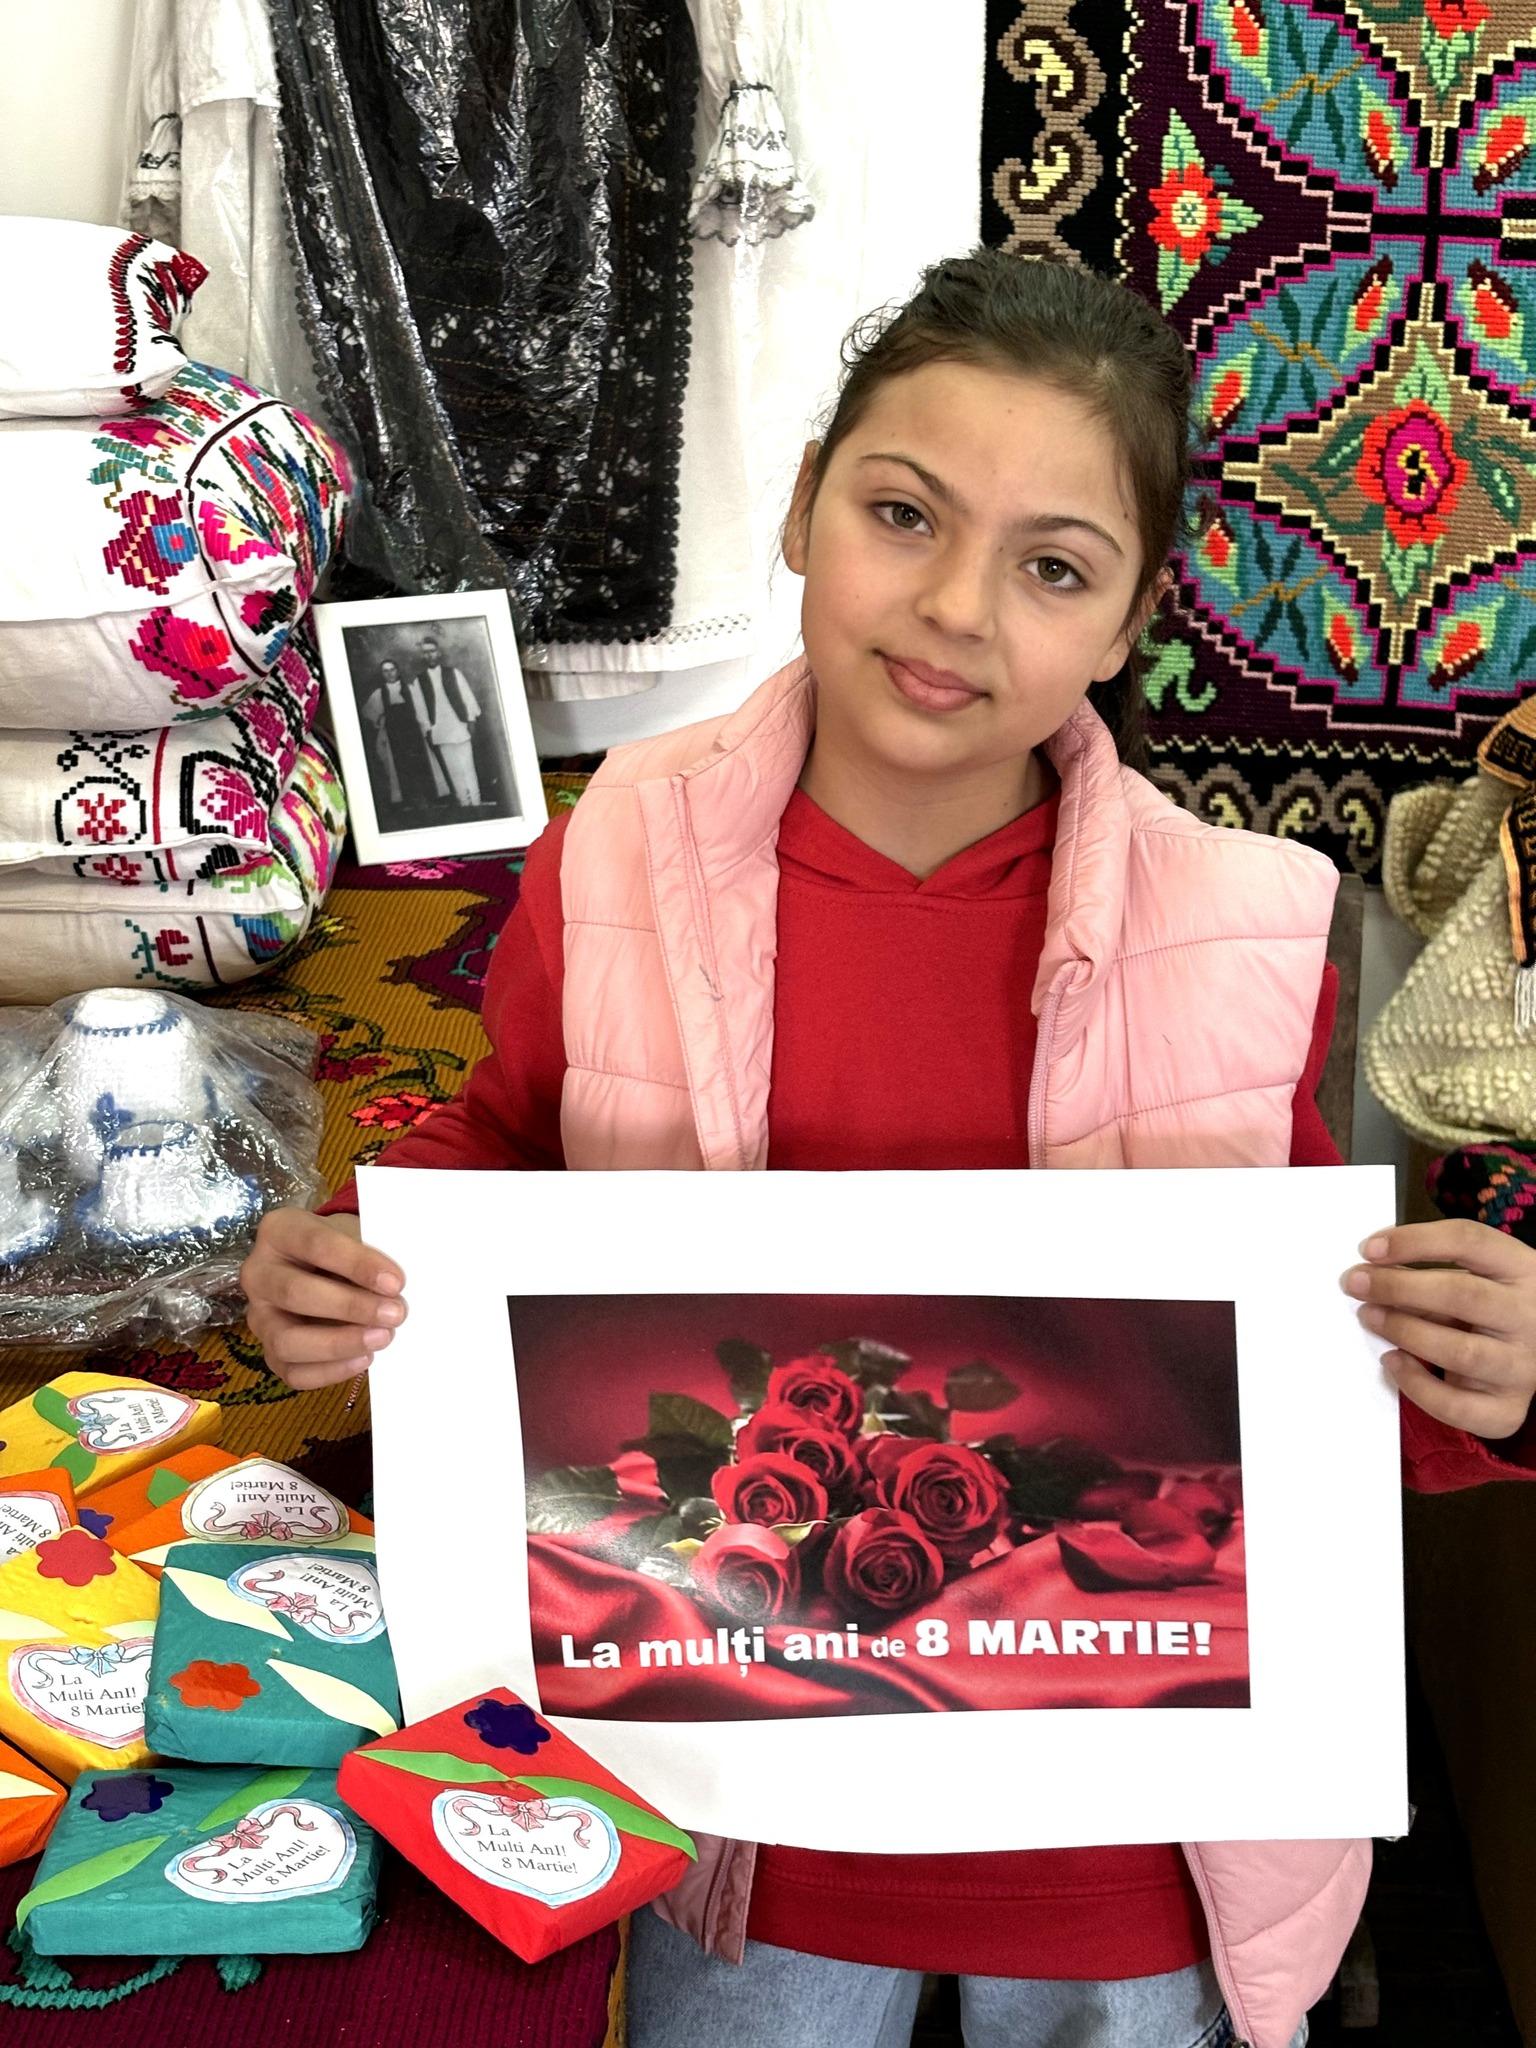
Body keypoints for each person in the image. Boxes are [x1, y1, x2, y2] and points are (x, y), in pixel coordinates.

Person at [240, 251, 1536, 2048]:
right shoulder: (615, 851)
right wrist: (356, 1262)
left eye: (1053, 567)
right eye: (903, 513)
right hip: (725, 1820)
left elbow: (1294, 1362)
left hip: (1120, 1838)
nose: (952, 607)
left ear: (1128, 621)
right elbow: (508, 1142)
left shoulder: (1243, 928)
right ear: (801, 506)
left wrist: (1474, 1372)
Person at [360, 656, 445, 815]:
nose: (389, 674)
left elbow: (421, 710)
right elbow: (368, 712)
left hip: (413, 734)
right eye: (385, 671)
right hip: (394, 736)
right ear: (382, 674)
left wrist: (426, 729)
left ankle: (427, 799)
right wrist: (380, 720)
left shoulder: (410, 689)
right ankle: (408, 801)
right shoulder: (379, 693)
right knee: (399, 768)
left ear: (397, 671)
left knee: (420, 765)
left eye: (392, 670)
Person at [409, 632, 483, 810]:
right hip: (440, 730)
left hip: (459, 726)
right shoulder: (419, 681)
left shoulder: (453, 673)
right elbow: (420, 709)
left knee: (467, 766)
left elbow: (467, 697)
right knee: (453, 769)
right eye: (426, 652)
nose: (430, 655)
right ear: (423, 655)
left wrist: (471, 720)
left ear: (439, 652)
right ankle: (464, 803)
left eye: (432, 651)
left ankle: (477, 802)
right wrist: (428, 729)